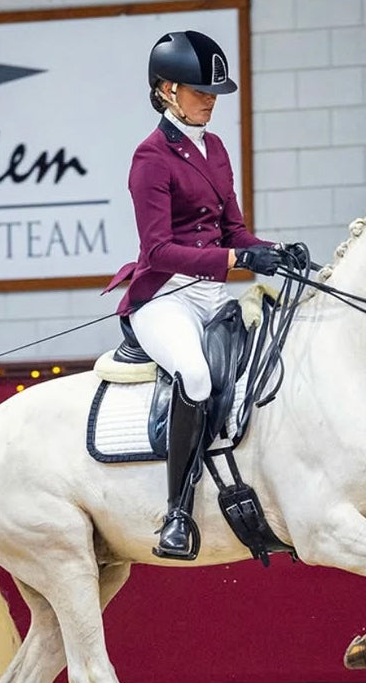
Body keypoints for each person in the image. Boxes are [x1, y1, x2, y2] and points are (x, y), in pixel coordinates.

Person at [103, 29, 289, 561]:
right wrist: (237, 261)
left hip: (212, 292)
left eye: (213, 91)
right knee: (197, 374)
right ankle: (178, 513)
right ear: (165, 90)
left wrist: (274, 251)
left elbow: (235, 230)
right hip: (165, 296)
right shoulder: (151, 158)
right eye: (198, 90)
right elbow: (158, 250)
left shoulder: (216, 148)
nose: (210, 100)